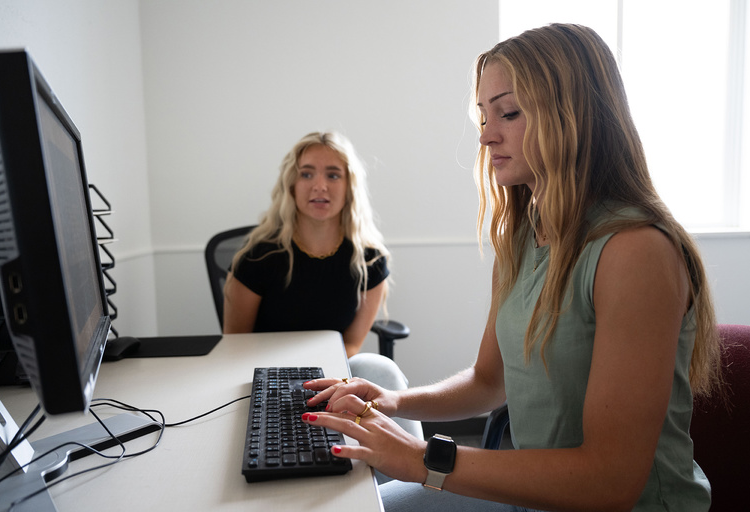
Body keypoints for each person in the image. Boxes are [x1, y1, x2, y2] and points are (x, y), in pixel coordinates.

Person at [301, 24, 723, 512]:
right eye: (483, 115)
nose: (485, 136)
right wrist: (393, 401)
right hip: (535, 492)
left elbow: (611, 481)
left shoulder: (635, 251)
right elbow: (489, 381)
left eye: (508, 112)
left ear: (575, 115)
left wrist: (422, 458)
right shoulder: (522, 236)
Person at [223, 131, 423, 440]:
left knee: (381, 368)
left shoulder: (370, 260)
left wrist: (329, 380)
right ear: (292, 185)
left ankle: (409, 474)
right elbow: (235, 344)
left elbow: (353, 343)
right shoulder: (258, 257)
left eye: (333, 175)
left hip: (334, 372)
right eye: (307, 174)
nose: (320, 185)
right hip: (267, 378)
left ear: (349, 187)